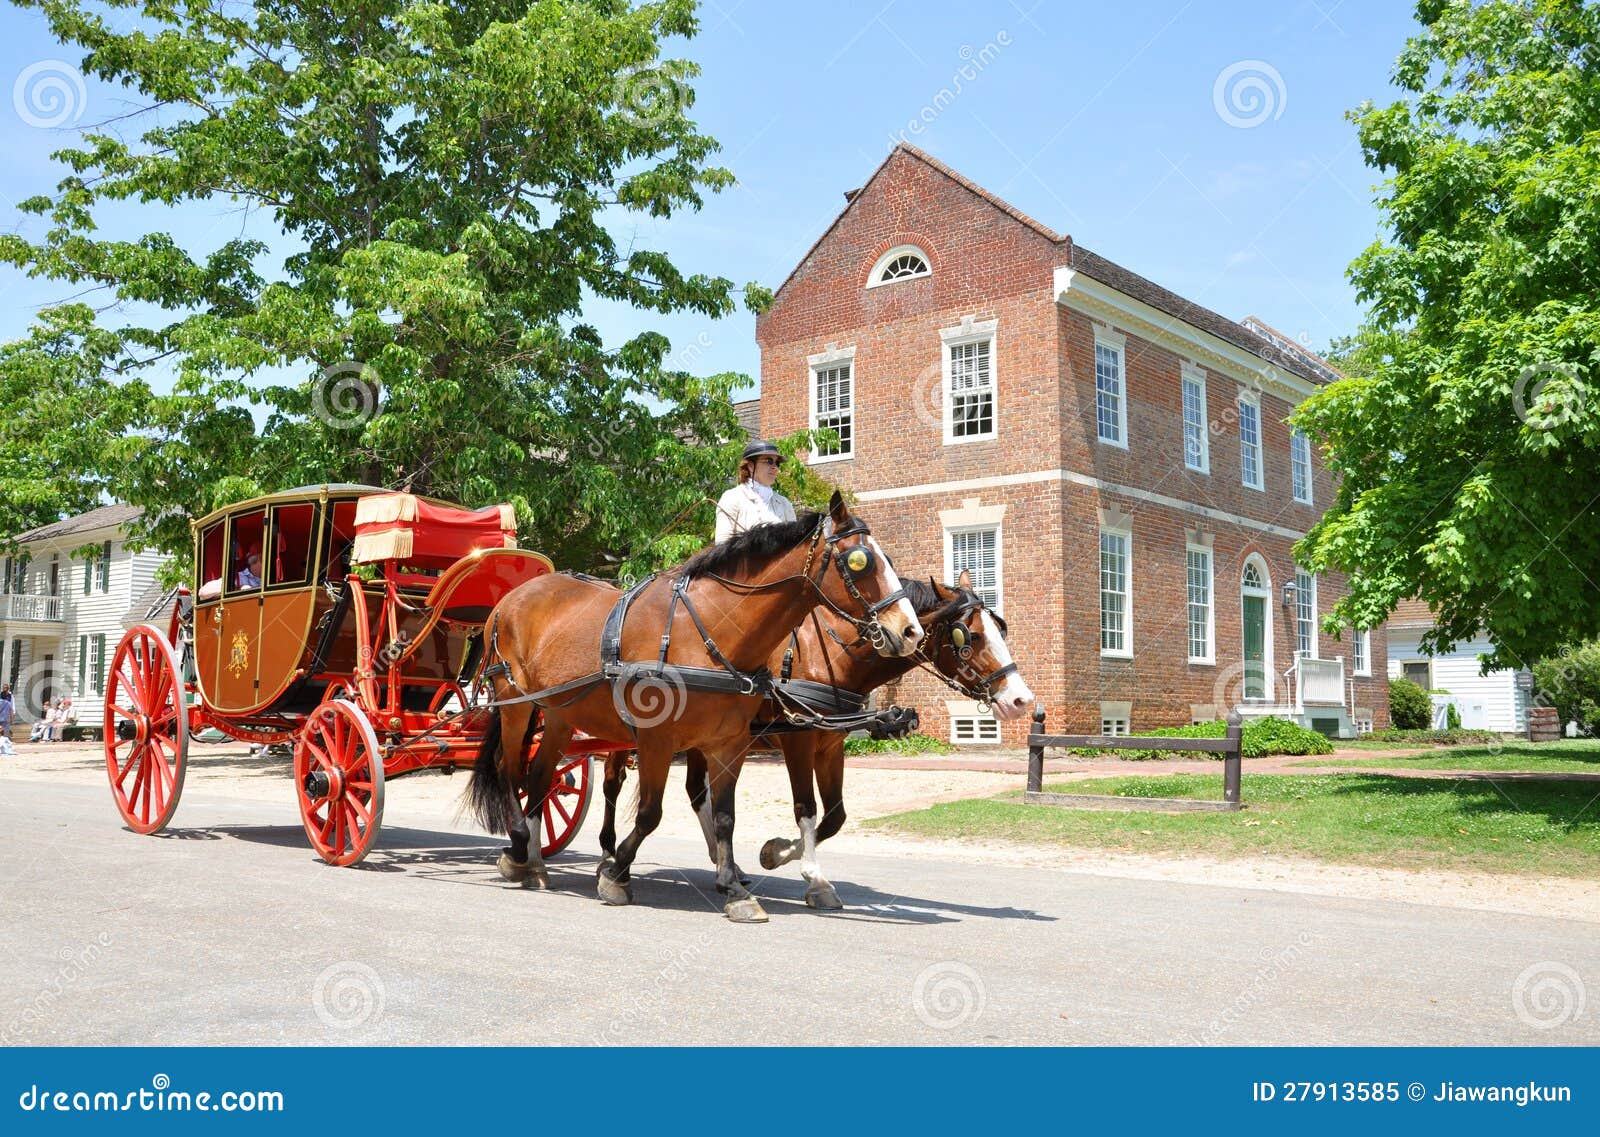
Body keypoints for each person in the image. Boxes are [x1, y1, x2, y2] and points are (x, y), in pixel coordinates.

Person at [714, 439, 797, 543]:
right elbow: (722, 547)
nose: (775, 467)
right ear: (751, 466)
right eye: (769, 461)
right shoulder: (732, 498)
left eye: (777, 463)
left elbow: (795, 545)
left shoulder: (784, 504)